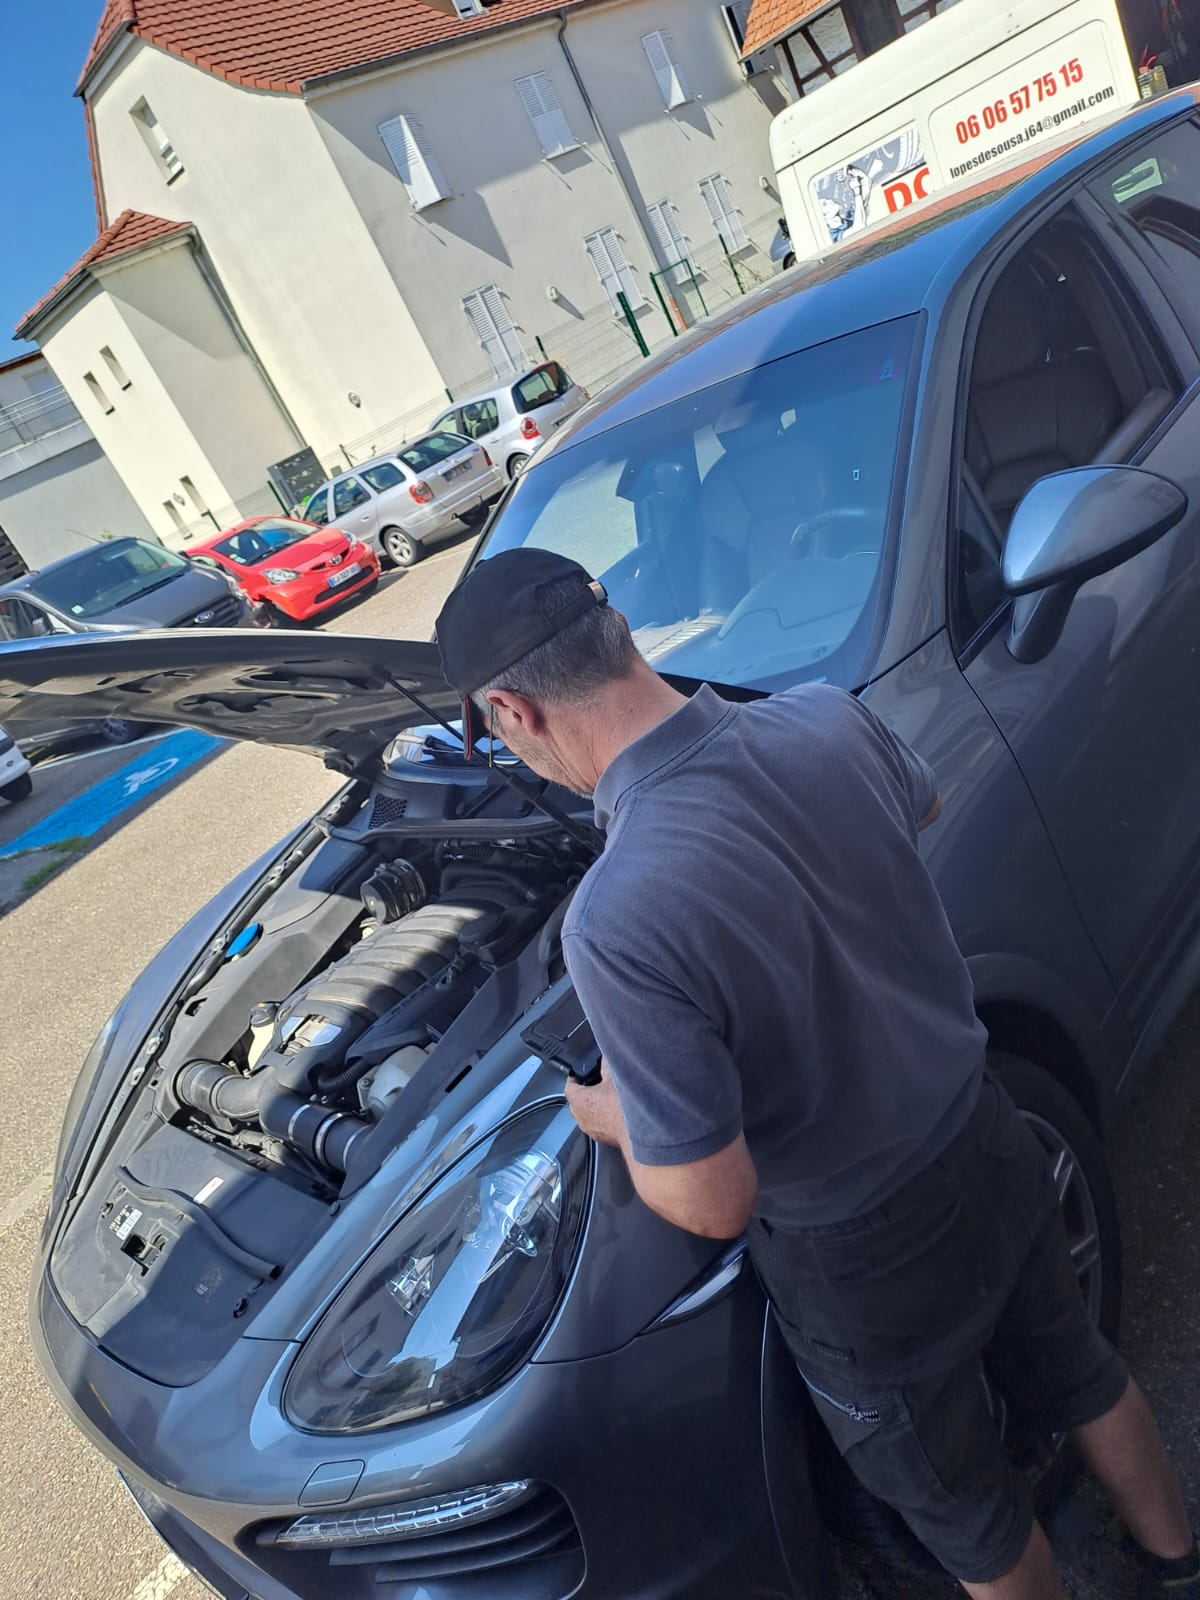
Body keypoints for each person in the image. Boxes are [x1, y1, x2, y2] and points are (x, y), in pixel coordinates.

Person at [434, 547, 1197, 1600]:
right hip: (988, 1129)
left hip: (865, 1258)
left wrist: (608, 1113)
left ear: (515, 713)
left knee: (970, 1516)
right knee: (1082, 1371)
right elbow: (916, 809)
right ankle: (1179, 1562)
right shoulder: (822, 718)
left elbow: (712, 1197)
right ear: (617, 631)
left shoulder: (615, 919)